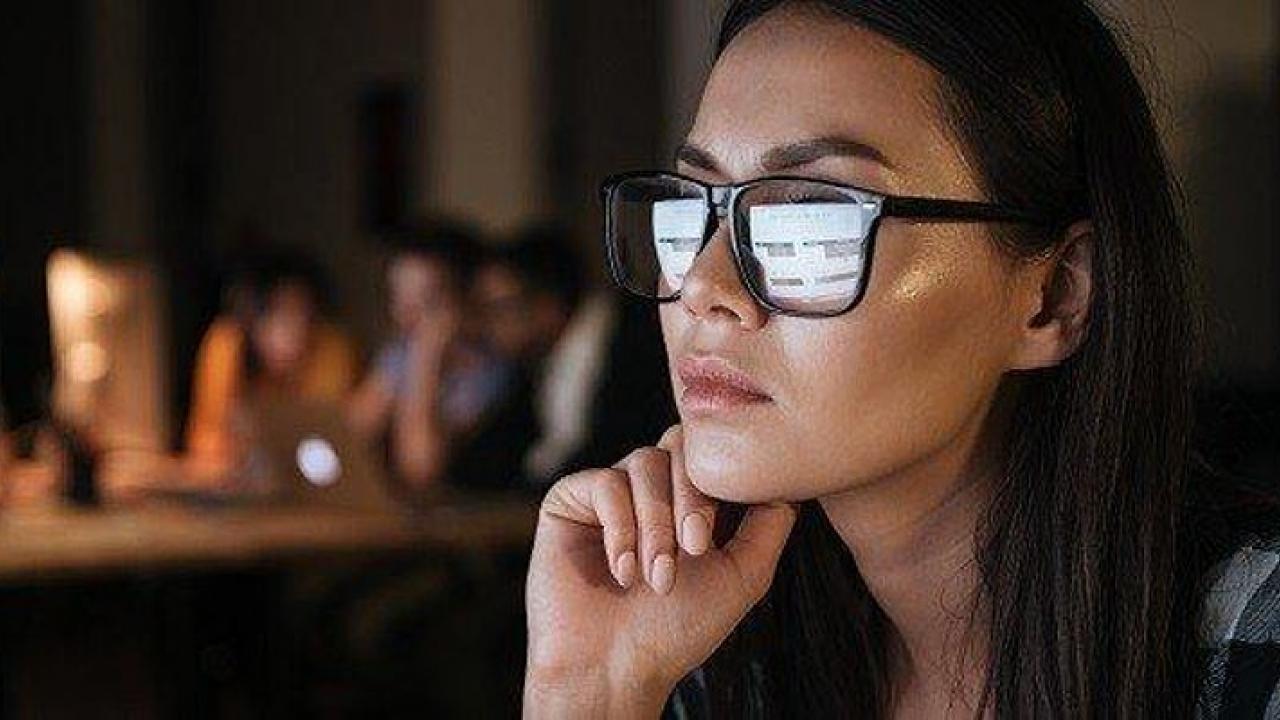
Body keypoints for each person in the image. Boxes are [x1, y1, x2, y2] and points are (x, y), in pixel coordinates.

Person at [523, 1, 1280, 718]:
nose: (703, 287)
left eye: (809, 222)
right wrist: (591, 686)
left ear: (1055, 295)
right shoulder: (719, 656)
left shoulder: (1251, 652)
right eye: (695, 204)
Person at [474, 225, 676, 485]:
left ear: (548, 304)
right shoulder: (535, 359)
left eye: (499, 308)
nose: (487, 324)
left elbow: (621, 449)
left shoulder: (635, 337)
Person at [348, 221, 519, 496]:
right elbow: (345, 438)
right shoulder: (399, 354)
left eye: (427, 301)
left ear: (466, 302)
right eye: (398, 297)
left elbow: (421, 471)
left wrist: (425, 362)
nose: (406, 315)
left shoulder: (492, 372)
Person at [185, 251, 358, 485]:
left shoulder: (330, 349)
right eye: (280, 314)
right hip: (239, 489)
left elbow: (327, 444)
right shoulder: (228, 343)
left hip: (305, 495)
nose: (295, 329)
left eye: (303, 314)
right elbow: (205, 440)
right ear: (251, 317)